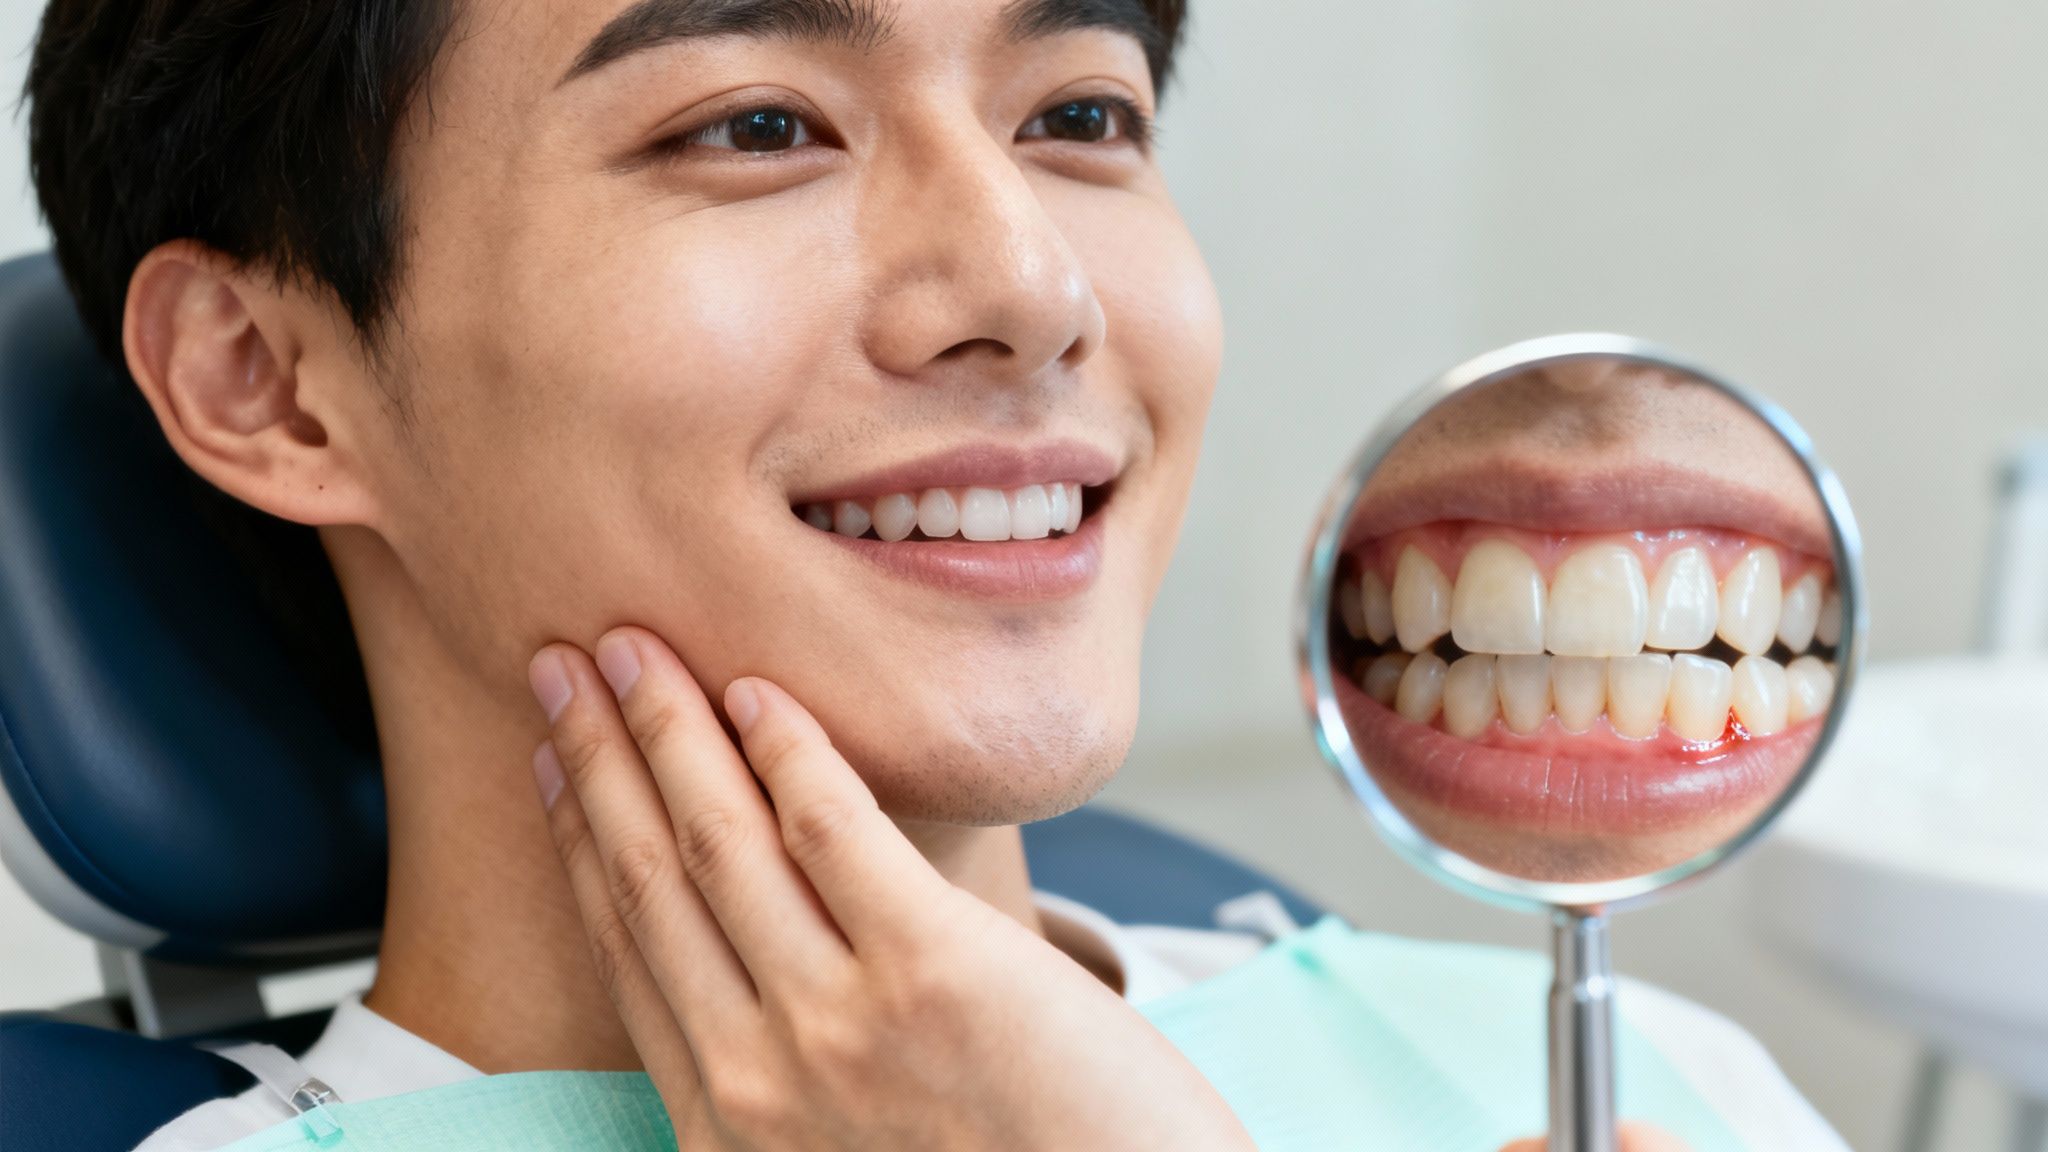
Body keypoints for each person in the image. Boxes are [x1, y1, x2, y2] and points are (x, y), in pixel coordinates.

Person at [21, 0, 1846, 1147]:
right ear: (267, 379)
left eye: (1080, 117)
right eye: (753, 125)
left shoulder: (1622, 1077)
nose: (1029, 284)